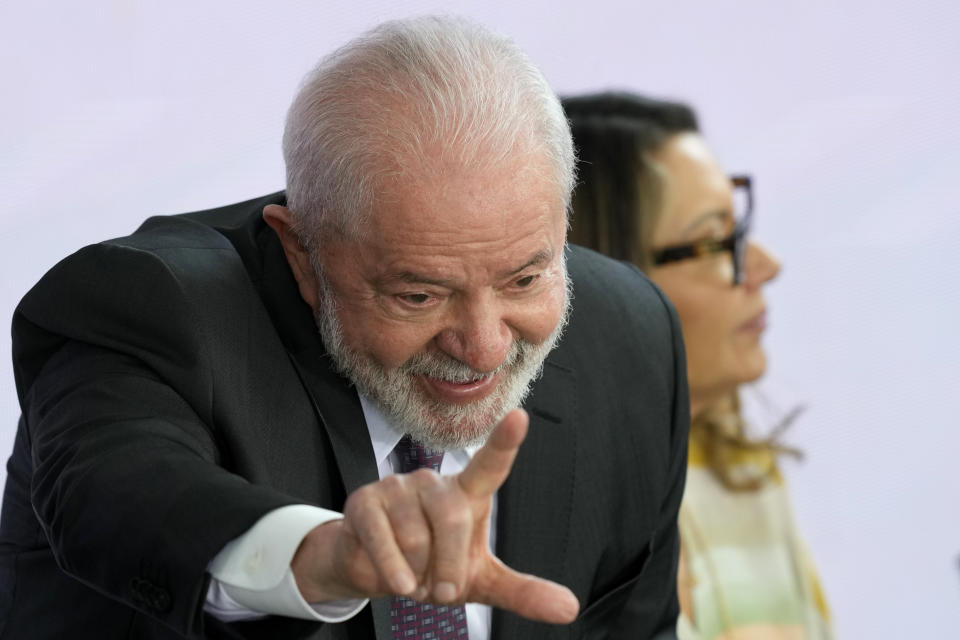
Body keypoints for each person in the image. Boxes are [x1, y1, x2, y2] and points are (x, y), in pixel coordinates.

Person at [0, 19, 690, 640]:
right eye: (419, 295)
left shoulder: (629, 338)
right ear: (301, 253)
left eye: (524, 280)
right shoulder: (148, 308)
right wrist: (319, 557)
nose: (484, 346)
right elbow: (118, 491)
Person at [562, 92, 833, 640]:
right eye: (716, 240)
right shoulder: (548, 525)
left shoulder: (746, 476)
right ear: (609, 281)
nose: (767, 266)